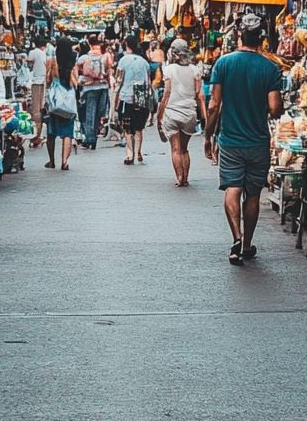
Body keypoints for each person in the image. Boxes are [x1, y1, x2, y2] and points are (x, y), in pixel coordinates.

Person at [205, 14, 283, 265]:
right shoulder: (270, 68)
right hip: (258, 139)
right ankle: (247, 242)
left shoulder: (223, 63)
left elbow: (214, 104)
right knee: (252, 194)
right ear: (261, 39)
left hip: (230, 139)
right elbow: (274, 108)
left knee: (232, 188)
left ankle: (236, 239)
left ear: (239, 35)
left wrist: (208, 135)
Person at [156, 39, 205, 187]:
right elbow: (199, 94)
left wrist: (160, 113)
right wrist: (204, 116)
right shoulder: (194, 69)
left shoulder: (168, 69)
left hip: (172, 112)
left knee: (175, 148)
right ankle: (186, 177)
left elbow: (167, 93)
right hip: (189, 113)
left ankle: (179, 177)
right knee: (184, 149)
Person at [114, 36, 151, 165]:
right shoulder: (144, 62)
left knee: (128, 126)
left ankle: (130, 154)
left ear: (126, 45)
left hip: (127, 95)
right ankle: (139, 151)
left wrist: (115, 99)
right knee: (139, 127)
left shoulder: (123, 60)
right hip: (141, 94)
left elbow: (118, 81)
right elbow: (149, 82)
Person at [44, 37, 78, 170]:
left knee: (51, 132)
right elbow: (75, 83)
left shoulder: (53, 62)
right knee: (67, 133)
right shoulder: (72, 64)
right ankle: (64, 162)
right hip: (68, 102)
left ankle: (52, 161)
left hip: (55, 102)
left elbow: (47, 80)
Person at [78, 36, 111, 149]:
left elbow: (78, 69)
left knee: (92, 114)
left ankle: (90, 139)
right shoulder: (103, 56)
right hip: (99, 87)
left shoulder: (85, 57)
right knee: (96, 114)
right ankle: (91, 139)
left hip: (91, 88)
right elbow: (109, 70)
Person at [26, 35, 49, 148]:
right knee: (41, 108)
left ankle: (36, 135)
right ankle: (39, 134)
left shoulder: (33, 52)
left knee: (35, 110)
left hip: (36, 82)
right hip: (44, 81)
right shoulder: (46, 52)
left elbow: (29, 63)